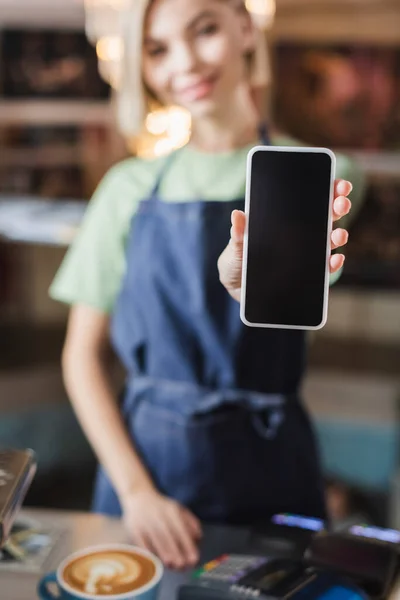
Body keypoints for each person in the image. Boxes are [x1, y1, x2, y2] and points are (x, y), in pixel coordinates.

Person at [50, 0, 365, 570]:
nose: (186, 63)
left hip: (273, 468)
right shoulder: (127, 188)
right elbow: (81, 358)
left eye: (205, 30)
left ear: (246, 27)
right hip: (146, 472)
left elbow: (304, 288)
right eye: (158, 49)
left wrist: (250, 291)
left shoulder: (320, 176)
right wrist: (137, 492)